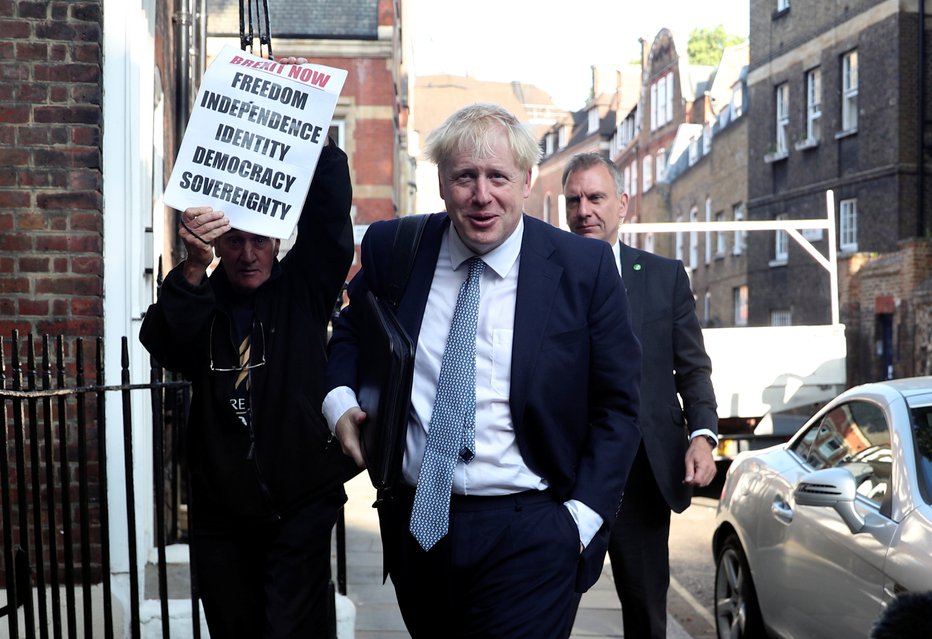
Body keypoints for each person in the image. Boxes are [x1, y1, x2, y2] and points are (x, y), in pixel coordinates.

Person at [324, 103, 642, 638]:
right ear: (443, 184)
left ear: (525, 179)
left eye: (497, 176)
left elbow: (619, 406)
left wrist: (581, 521)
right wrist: (338, 400)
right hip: (422, 525)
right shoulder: (394, 250)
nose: (481, 195)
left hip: (533, 529)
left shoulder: (583, 270)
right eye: (464, 177)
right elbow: (353, 330)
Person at [139, 57, 356, 638]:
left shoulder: (303, 289)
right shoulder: (199, 297)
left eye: (260, 240)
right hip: (221, 518)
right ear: (218, 241)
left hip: (301, 507)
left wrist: (310, 128)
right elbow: (160, 340)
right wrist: (191, 267)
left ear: (277, 240)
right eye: (234, 241)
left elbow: (332, 220)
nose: (248, 254)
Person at [563, 152, 719, 638]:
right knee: (546, 608)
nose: (584, 210)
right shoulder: (546, 276)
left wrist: (703, 435)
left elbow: (692, 367)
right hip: (563, 473)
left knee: (646, 613)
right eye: (574, 200)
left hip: (642, 476)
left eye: (595, 197)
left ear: (623, 204)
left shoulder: (663, 276)